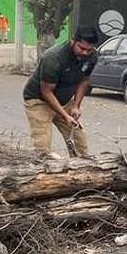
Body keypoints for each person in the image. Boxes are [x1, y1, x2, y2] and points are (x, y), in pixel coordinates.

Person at [22, 26, 100, 158]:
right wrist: (65, 116)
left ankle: (82, 170)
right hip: (39, 100)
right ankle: (43, 172)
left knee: (79, 140)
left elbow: (84, 81)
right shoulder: (53, 58)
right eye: (81, 48)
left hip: (64, 100)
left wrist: (76, 106)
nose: (85, 53)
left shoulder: (92, 55)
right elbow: (46, 92)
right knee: (43, 146)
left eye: (89, 49)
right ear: (73, 40)